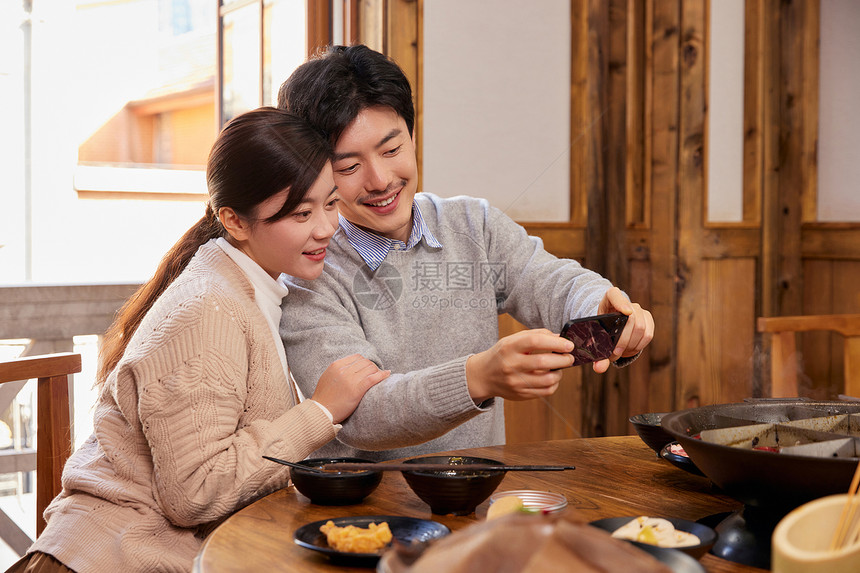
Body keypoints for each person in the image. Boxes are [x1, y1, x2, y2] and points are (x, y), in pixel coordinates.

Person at [6, 108, 388, 573]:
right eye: (301, 213)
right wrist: (321, 412)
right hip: (107, 558)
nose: (326, 227)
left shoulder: (244, 286)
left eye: (330, 203)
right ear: (235, 221)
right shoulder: (208, 310)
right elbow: (195, 492)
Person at [277, 45, 655, 462]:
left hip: (479, 494)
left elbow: (548, 280)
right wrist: (476, 378)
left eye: (391, 150)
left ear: (413, 135)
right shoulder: (307, 270)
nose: (381, 180)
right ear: (315, 171)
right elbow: (357, 414)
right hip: (365, 515)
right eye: (349, 167)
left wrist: (600, 306)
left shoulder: (473, 224)